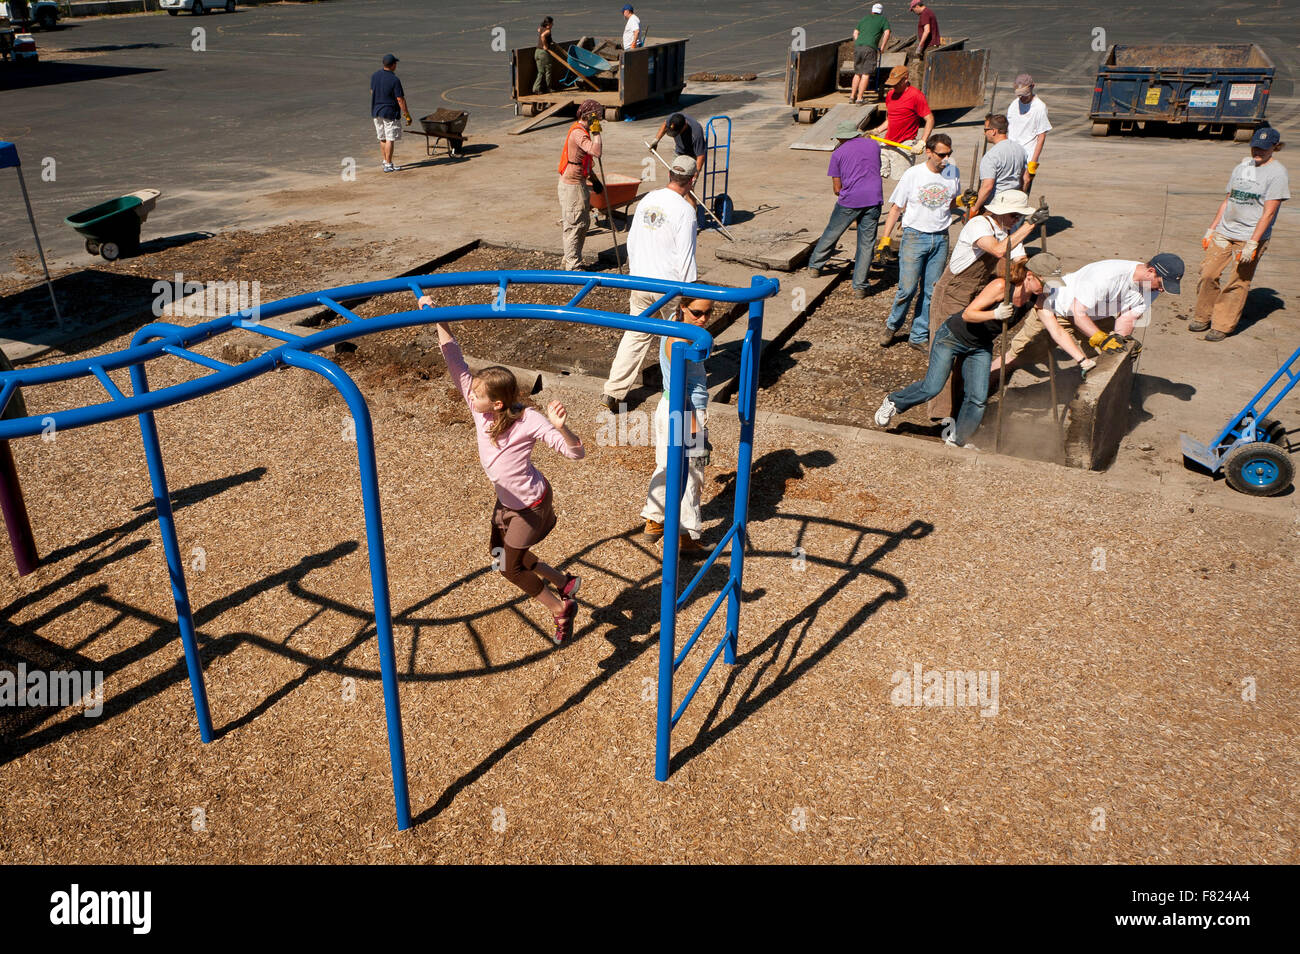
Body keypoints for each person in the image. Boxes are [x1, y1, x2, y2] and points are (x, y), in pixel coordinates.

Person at [422, 305, 586, 644]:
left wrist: (562, 427)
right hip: (507, 502)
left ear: (496, 404)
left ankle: (559, 608)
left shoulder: (529, 420)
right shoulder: (480, 408)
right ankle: (564, 581)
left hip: (531, 505)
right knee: (502, 554)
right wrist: (438, 318)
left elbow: (575, 452)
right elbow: (454, 358)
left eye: (478, 395)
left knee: (509, 568)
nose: (470, 396)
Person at [874, 255, 1052, 450]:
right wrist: (995, 314)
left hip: (980, 345)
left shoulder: (1036, 296)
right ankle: (893, 401)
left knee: (977, 397)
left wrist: (1081, 358)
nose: (1048, 288)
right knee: (932, 387)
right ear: (1030, 276)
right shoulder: (1001, 287)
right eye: (1046, 282)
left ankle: (957, 439)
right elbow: (968, 314)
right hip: (952, 337)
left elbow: (1053, 325)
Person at [923, 189, 1043, 419]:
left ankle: (959, 407)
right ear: (1000, 212)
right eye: (1014, 215)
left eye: (1020, 216)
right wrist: (1031, 226)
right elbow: (999, 250)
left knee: (968, 352)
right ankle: (941, 414)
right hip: (953, 292)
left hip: (979, 293)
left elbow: (1019, 259)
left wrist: (1040, 269)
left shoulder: (1008, 231)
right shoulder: (979, 224)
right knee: (946, 353)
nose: (1017, 219)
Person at [602, 156, 700, 412]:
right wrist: (690, 292)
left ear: (670, 174)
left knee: (635, 334)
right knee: (675, 339)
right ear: (693, 179)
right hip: (669, 286)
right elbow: (686, 256)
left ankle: (613, 390)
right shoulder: (685, 211)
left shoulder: (648, 200)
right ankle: (675, 393)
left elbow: (632, 243)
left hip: (641, 279)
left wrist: (635, 274)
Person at [1191, 127, 1289, 341]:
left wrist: (1253, 243)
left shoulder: (1277, 174)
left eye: (1264, 148)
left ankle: (1222, 325)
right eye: (1255, 146)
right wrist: (1212, 228)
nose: (1258, 151)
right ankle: (1203, 315)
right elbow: (1229, 199)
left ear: (1275, 147)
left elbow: (1269, 212)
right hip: (1225, 231)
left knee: (1238, 281)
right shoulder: (1242, 167)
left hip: (1250, 236)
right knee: (1208, 273)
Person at [641, 298, 716, 557]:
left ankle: (655, 519)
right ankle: (686, 535)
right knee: (692, 473)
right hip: (685, 410)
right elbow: (683, 390)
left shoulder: (674, 324)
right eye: (697, 313)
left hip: (667, 405)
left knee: (665, 464)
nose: (703, 319)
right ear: (683, 307)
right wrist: (696, 431)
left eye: (708, 313)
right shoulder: (681, 342)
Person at [1008, 254, 1184, 363]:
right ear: (1151, 271)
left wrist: (1120, 339)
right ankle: (988, 390)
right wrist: (1101, 338)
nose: (1161, 290)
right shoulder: (1108, 276)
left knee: (1104, 356)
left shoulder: (1150, 287)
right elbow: (1078, 312)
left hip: (1094, 315)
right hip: (1057, 307)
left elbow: (1128, 317)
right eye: (1161, 284)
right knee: (1016, 357)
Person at [875, 133, 959, 349]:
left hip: (940, 238)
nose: (946, 159)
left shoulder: (952, 172)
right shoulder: (913, 175)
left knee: (931, 291)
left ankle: (918, 335)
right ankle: (892, 325)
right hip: (915, 237)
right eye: (942, 154)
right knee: (907, 288)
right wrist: (886, 238)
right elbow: (896, 208)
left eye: (949, 154)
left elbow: (948, 203)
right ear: (929, 153)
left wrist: (960, 201)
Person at [805, 122, 884, 298]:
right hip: (874, 198)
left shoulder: (838, 153)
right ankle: (860, 287)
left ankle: (815, 267)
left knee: (832, 232)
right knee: (866, 244)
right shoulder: (873, 144)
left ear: (843, 136)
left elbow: (837, 189)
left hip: (850, 201)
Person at [557, 99, 605, 271]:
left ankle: (568, 259)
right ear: (590, 116)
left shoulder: (580, 130)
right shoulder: (579, 133)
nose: (600, 119)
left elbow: (583, 162)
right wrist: (597, 131)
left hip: (576, 182)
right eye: (597, 116)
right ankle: (573, 266)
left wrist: (595, 180)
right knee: (575, 225)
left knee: (578, 223)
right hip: (572, 186)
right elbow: (596, 152)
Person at [871, 66, 934, 181]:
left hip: (904, 143)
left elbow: (929, 119)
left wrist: (922, 142)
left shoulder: (916, 95)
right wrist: (877, 130)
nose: (894, 86)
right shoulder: (890, 95)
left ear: (906, 79)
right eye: (892, 84)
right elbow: (890, 119)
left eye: (897, 83)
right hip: (888, 142)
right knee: (877, 174)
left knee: (902, 180)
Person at [970, 114, 1026, 216]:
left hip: (996, 206)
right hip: (1014, 203)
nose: (984, 133)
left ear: (994, 131)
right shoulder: (1020, 149)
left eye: (986, 130)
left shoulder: (992, 156)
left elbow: (987, 186)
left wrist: (974, 208)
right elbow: (1024, 179)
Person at [1005, 74, 1050, 193]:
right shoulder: (1014, 105)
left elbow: (1041, 136)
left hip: (1027, 156)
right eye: (1019, 95)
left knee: (1022, 188)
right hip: (1011, 154)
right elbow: (1009, 129)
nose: (1022, 98)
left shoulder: (1039, 107)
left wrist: (1033, 163)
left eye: (1024, 94)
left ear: (1032, 87)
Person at [370, 53, 411, 173]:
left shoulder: (375, 76)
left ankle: (385, 161)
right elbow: (400, 99)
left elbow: (372, 91)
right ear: (393, 65)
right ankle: (388, 164)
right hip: (389, 112)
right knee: (390, 138)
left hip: (376, 111)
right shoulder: (394, 79)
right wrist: (407, 115)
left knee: (382, 138)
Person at [851, 3, 891, 104]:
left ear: (872, 10)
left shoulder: (864, 19)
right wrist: (882, 47)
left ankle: (852, 97)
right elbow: (887, 32)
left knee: (857, 73)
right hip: (870, 48)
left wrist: (858, 41)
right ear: (881, 12)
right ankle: (860, 98)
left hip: (858, 47)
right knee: (866, 73)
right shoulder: (882, 20)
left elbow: (855, 32)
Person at [650, 113, 707, 177]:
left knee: (686, 180)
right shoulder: (673, 118)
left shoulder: (696, 133)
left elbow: (701, 156)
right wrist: (656, 140)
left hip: (692, 156)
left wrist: (695, 175)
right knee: (673, 177)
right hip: (679, 151)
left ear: (685, 125)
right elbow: (665, 124)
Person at [534, 17, 557, 94]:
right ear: (548, 24)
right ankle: (549, 88)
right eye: (551, 23)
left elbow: (539, 30)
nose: (552, 25)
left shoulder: (541, 28)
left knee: (540, 72)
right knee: (548, 69)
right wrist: (545, 46)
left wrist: (550, 41)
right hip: (543, 53)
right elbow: (543, 36)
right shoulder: (548, 31)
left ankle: (536, 88)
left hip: (537, 52)